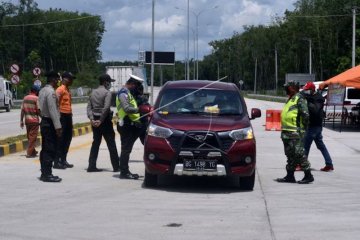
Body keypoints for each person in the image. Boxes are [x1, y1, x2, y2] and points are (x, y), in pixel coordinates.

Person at [276, 81, 314, 184]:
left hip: (295, 132)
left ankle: (308, 175)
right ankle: (290, 176)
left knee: (299, 154)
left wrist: (302, 129)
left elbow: (305, 115)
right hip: (287, 132)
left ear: (292, 88)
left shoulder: (299, 98)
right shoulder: (290, 98)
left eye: (287, 87)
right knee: (290, 155)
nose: (286, 89)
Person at [86, 74, 120, 172]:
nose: (110, 84)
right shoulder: (107, 93)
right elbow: (106, 108)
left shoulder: (93, 92)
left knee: (95, 143)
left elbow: (89, 107)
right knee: (111, 143)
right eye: (109, 82)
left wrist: (92, 119)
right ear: (105, 82)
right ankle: (116, 166)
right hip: (104, 121)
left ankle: (91, 166)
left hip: (95, 121)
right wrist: (100, 120)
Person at [116, 74, 145, 179]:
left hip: (131, 124)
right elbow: (127, 108)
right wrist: (140, 109)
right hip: (126, 124)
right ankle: (124, 172)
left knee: (126, 149)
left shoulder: (128, 93)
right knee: (126, 149)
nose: (137, 88)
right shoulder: (123, 94)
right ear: (132, 84)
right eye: (136, 86)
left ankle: (124, 171)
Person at [301, 81, 334, 172]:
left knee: (305, 145)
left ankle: (303, 165)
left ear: (312, 90)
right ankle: (329, 164)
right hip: (317, 126)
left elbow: (314, 109)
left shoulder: (315, 98)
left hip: (313, 126)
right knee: (321, 146)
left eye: (307, 90)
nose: (305, 92)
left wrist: (306, 101)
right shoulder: (316, 96)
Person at [38, 71, 62, 182]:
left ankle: (44, 171)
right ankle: (47, 174)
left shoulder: (42, 90)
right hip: (50, 122)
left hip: (44, 121)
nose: (58, 81)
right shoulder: (51, 92)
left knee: (45, 148)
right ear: (53, 79)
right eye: (57, 79)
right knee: (50, 149)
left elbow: (39, 108)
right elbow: (53, 110)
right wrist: (58, 127)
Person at [54, 72, 75, 169]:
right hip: (62, 116)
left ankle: (63, 159)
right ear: (65, 79)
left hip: (68, 115)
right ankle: (57, 161)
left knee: (68, 138)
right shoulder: (60, 89)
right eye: (71, 79)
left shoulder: (67, 89)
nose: (72, 81)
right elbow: (55, 102)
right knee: (61, 139)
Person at [20, 85, 41, 158]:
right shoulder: (36, 98)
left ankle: (33, 151)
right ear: (35, 91)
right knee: (33, 137)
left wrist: (21, 121)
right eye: (38, 91)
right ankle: (29, 153)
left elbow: (22, 110)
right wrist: (43, 117)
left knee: (30, 136)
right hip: (34, 121)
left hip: (27, 121)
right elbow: (38, 110)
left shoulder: (25, 98)